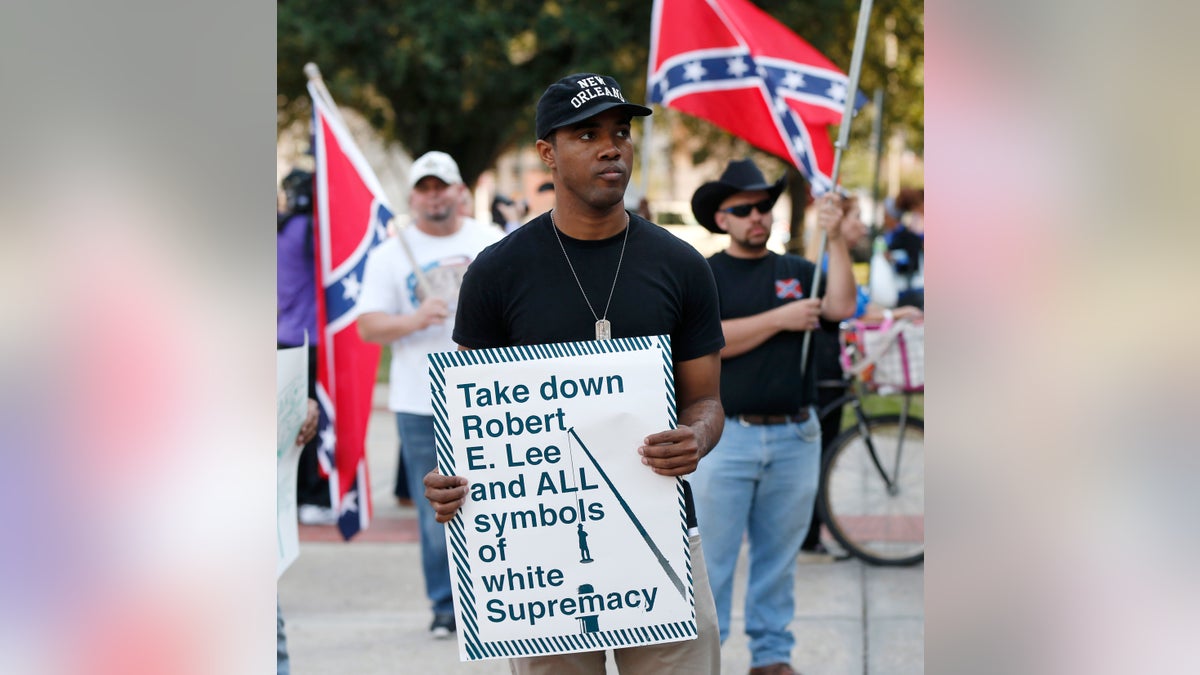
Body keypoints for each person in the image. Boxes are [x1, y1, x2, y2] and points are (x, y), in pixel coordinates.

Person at [423, 72, 725, 674]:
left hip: (658, 536)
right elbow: (468, 424)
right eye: (587, 134)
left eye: (621, 132)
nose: (612, 146)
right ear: (546, 153)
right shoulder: (497, 273)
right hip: (542, 560)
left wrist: (694, 436)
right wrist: (449, 482)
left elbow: (707, 401)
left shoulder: (681, 266)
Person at [687, 158, 857, 675]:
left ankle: (772, 656)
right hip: (726, 438)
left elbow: (842, 305)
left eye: (764, 206)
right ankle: (702, 657)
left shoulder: (797, 271)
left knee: (777, 560)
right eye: (744, 209)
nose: (757, 216)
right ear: (722, 219)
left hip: (795, 434)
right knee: (711, 560)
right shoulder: (705, 275)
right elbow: (706, 344)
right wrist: (780, 319)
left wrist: (836, 240)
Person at [355, 150, 502, 639]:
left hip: (486, 394)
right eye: (424, 188)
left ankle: (498, 597)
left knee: (495, 499)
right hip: (420, 401)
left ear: (461, 191)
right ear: (413, 197)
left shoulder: (491, 243)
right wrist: (415, 319)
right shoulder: (391, 254)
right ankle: (444, 605)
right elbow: (368, 325)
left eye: (442, 187)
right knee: (435, 507)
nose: (434, 196)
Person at [801, 192, 922, 558]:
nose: (860, 226)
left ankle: (811, 533)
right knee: (819, 451)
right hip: (824, 365)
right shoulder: (825, 263)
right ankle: (808, 533)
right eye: (855, 218)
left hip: (835, 364)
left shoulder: (840, 261)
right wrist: (889, 317)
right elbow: (846, 311)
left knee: (822, 448)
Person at [276, 168, 336, 525]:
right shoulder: (308, 231)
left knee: (288, 421)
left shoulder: (281, 228)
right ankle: (313, 496)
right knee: (312, 421)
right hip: (310, 339)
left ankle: (294, 494)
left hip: (283, 335)